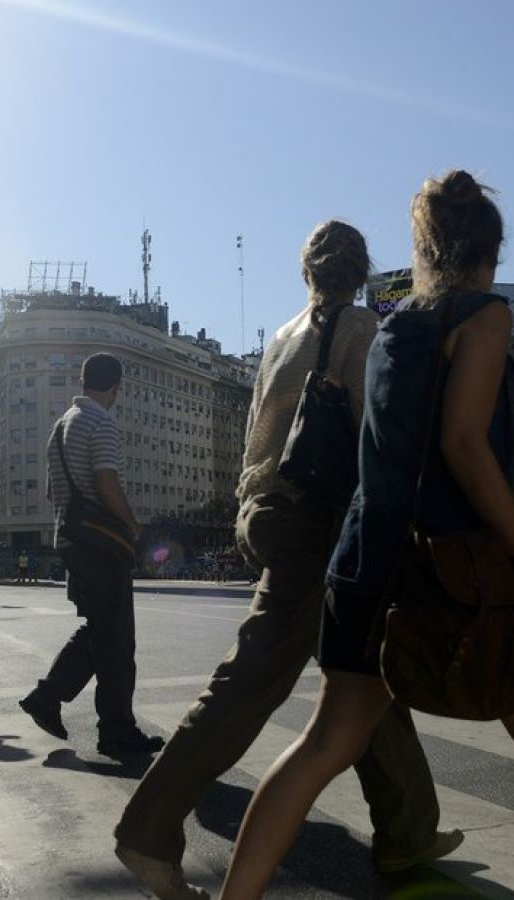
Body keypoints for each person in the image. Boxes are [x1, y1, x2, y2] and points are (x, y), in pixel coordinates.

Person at [115, 221, 459, 899]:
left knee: (364, 670)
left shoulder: (283, 335)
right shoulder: (360, 328)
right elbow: (373, 434)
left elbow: (259, 437)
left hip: (266, 510)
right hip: (319, 520)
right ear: (360, 271)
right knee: (253, 681)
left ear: (307, 272)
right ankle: (148, 832)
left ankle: (409, 833)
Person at [219, 172, 514, 898]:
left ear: (423, 249)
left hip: (366, 564)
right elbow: (465, 444)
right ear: (490, 252)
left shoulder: (390, 331)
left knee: (324, 744)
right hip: (455, 570)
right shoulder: (485, 320)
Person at [19, 352, 165, 757]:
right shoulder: (101, 421)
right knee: (117, 640)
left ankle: (48, 698)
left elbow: (52, 493)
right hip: (100, 545)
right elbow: (106, 481)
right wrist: (133, 526)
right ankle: (116, 732)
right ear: (115, 386)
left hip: (70, 539)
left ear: (84, 381)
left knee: (100, 631)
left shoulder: (60, 425)